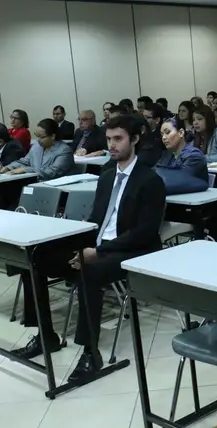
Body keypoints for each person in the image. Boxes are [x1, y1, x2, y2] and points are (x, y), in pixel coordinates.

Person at [11, 114, 165, 381]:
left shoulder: (150, 180)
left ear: (135, 139)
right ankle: (46, 335)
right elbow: (97, 220)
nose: (113, 145)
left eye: (118, 139)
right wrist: (78, 238)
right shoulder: (106, 176)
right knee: (34, 259)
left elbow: (145, 233)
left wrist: (98, 251)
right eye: (108, 139)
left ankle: (90, 353)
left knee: (89, 274)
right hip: (100, 245)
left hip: (134, 251)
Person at [0, 119, 74, 180]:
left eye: (42, 137)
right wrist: (7, 168)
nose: (38, 140)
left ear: (53, 136)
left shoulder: (64, 150)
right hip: (34, 183)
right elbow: (25, 161)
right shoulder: (37, 146)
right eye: (37, 136)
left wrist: (25, 170)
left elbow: (52, 172)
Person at [156, 117, 209, 194]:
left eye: (167, 132)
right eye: (162, 134)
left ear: (181, 132)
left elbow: (180, 181)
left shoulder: (194, 155)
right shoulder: (167, 155)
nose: (163, 137)